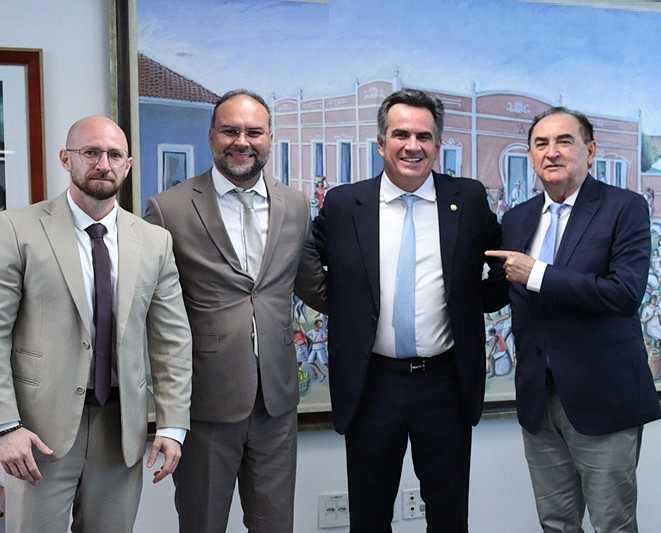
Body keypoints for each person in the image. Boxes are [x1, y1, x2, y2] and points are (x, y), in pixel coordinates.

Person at [313, 88, 507, 531]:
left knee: (449, 517)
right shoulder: (345, 204)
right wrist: (343, 306)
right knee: (369, 517)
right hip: (372, 383)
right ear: (381, 142)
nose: (412, 146)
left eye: (424, 136)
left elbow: (503, 259)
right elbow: (306, 257)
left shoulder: (468, 198)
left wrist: (473, 304)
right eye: (401, 134)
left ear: (437, 144)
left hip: (445, 383)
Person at [144, 89, 327, 532]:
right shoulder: (169, 209)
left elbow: (314, 286)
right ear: (211, 137)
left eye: (254, 132)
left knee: (275, 525)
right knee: (202, 524)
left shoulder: (296, 205)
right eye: (230, 131)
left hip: (276, 402)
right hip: (205, 403)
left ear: (269, 138)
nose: (242, 141)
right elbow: (145, 306)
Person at [0, 116, 192, 532]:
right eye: (91, 152)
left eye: (114, 155)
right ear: (65, 159)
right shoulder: (16, 229)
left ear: (128, 165)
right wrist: (6, 426)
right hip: (37, 432)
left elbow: (172, 341)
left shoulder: (154, 242)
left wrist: (173, 423)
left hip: (119, 430)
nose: (103, 164)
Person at [486, 107, 661, 532]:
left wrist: (538, 274)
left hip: (604, 399)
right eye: (541, 144)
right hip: (537, 398)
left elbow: (624, 294)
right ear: (530, 156)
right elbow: (499, 291)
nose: (552, 152)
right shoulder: (517, 218)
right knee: (556, 523)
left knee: (612, 523)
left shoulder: (624, 208)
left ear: (590, 150)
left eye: (564, 141)